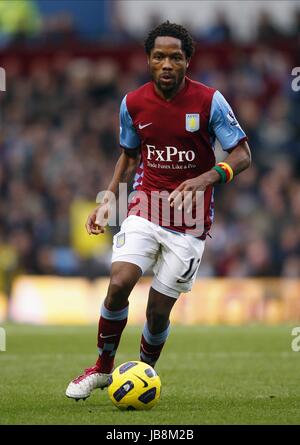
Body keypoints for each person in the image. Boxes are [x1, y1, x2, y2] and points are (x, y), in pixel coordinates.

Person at [66, 21, 251, 400]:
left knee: (156, 314)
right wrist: (108, 202)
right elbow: (129, 157)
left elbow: (243, 154)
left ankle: (144, 373)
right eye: (159, 56)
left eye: (175, 57)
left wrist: (207, 178)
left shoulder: (209, 101)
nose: (167, 64)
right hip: (145, 205)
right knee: (118, 283)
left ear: (188, 62)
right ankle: (102, 368)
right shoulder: (132, 103)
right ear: (148, 60)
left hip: (191, 222)